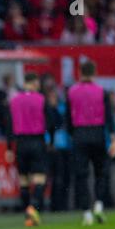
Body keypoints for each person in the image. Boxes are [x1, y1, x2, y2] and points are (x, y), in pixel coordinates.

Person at [66, 61, 115, 226]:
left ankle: (86, 213)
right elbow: (109, 116)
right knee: (100, 172)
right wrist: (113, 138)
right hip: (97, 134)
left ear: (80, 72)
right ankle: (99, 204)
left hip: (79, 134)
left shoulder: (72, 91)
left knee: (81, 175)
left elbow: (67, 117)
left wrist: (73, 135)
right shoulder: (102, 91)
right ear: (94, 72)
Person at [5, 73, 57, 226]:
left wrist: (9, 148)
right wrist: (51, 141)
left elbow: (8, 125)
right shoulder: (41, 99)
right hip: (37, 141)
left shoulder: (14, 101)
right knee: (40, 179)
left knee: (24, 181)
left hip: (20, 144)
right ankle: (33, 208)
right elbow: (51, 123)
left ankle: (28, 215)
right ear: (34, 83)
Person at [44, 80, 72, 212]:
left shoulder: (62, 108)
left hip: (64, 146)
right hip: (51, 146)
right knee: (53, 177)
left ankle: (62, 204)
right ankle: (53, 205)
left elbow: (63, 124)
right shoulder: (46, 110)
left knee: (63, 177)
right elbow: (51, 126)